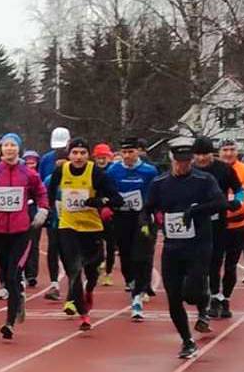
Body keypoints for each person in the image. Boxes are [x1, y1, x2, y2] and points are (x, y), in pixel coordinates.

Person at [144, 142, 225, 358]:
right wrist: (147, 223)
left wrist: (196, 210)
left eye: (187, 162)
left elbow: (220, 202)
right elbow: (148, 207)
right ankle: (187, 341)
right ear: (172, 161)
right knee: (173, 296)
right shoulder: (160, 182)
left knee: (192, 293)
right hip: (173, 246)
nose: (183, 166)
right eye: (179, 163)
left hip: (199, 244)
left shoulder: (204, 180)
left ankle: (203, 297)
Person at [0, 133, 49, 340]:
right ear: (0, 150)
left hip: (21, 232)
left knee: (13, 274)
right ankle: (19, 297)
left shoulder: (28, 174)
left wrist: (43, 209)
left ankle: (9, 323)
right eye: (5, 146)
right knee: (6, 276)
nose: (9, 149)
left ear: (18, 149)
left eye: (13, 146)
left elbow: (41, 193)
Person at [47, 137, 124, 331]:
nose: (79, 157)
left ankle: (89, 289)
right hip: (68, 226)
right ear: (69, 154)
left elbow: (117, 199)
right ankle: (83, 314)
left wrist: (99, 201)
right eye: (75, 153)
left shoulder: (96, 173)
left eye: (82, 153)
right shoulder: (60, 171)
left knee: (90, 272)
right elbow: (49, 192)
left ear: (88, 155)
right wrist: (50, 210)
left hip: (92, 228)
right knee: (73, 269)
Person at [107, 137, 160, 320]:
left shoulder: (149, 171)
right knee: (126, 255)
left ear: (138, 152)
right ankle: (132, 281)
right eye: (124, 152)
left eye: (131, 152)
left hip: (142, 217)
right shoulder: (113, 170)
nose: (128, 155)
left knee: (142, 255)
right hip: (122, 217)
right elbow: (108, 191)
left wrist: (152, 212)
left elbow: (155, 193)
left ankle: (138, 294)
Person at [212, 138, 244, 319]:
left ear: (237, 151)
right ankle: (213, 297)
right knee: (213, 263)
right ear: (219, 152)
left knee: (230, 266)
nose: (228, 153)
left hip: (237, 225)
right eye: (225, 149)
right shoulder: (214, 169)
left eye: (231, 149)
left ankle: (225, 298)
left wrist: (228, 207)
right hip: (215, 224)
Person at [92, 143, 117, 286]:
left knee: (111, 244)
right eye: (99, 158)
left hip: (110, 212)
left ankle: (108, 272)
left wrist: (110, 206)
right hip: (95, 212)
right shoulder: (92, 171)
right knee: (97, 243)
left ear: (110, 158)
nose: (102, 161)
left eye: (104, 158)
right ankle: (99, 264)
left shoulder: (113, 172)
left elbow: (116, 193)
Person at [21, 150, 43, 287]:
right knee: (21, 242)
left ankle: (32, 274)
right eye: (27, 163)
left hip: (34, 210)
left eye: (33, 163)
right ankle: (20, 271)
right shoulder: (20, 176)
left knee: (34, 243)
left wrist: (43, 209)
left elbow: (42, 194)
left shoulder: (38, 177)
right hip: (20, 211)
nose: (30, 166)